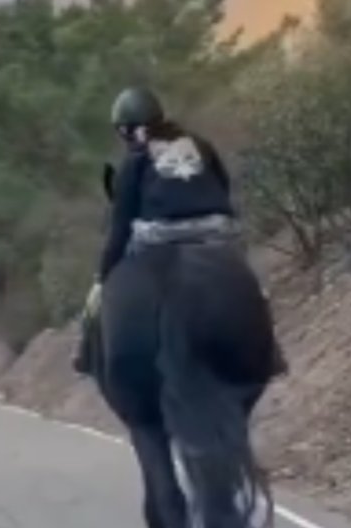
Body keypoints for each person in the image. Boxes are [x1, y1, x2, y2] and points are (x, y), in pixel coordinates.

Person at [73, 86, 240, 376]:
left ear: (126, 130)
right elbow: (224, 187)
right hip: (217, 230)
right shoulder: (200, 145)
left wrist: (103, 276)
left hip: (161, 238)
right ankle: (270, 347)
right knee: (246, 278)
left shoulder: (134, 161)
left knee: (100, 301)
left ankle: (85, 356)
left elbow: (121, 227)